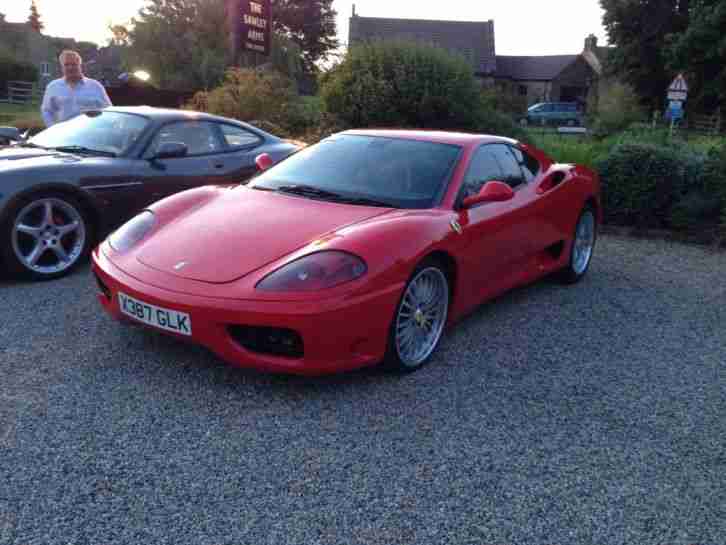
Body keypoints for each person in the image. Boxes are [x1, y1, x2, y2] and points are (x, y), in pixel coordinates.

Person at [40, 50, 112, 127]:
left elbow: (109, 110)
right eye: (66, 65)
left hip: (92, 133)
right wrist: (53, 128)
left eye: (74, 64)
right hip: (65, 135)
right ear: (62, 67)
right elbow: (46, 111)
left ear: (80, 65)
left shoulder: (95, 86)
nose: (70, 67)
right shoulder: (53, 87)